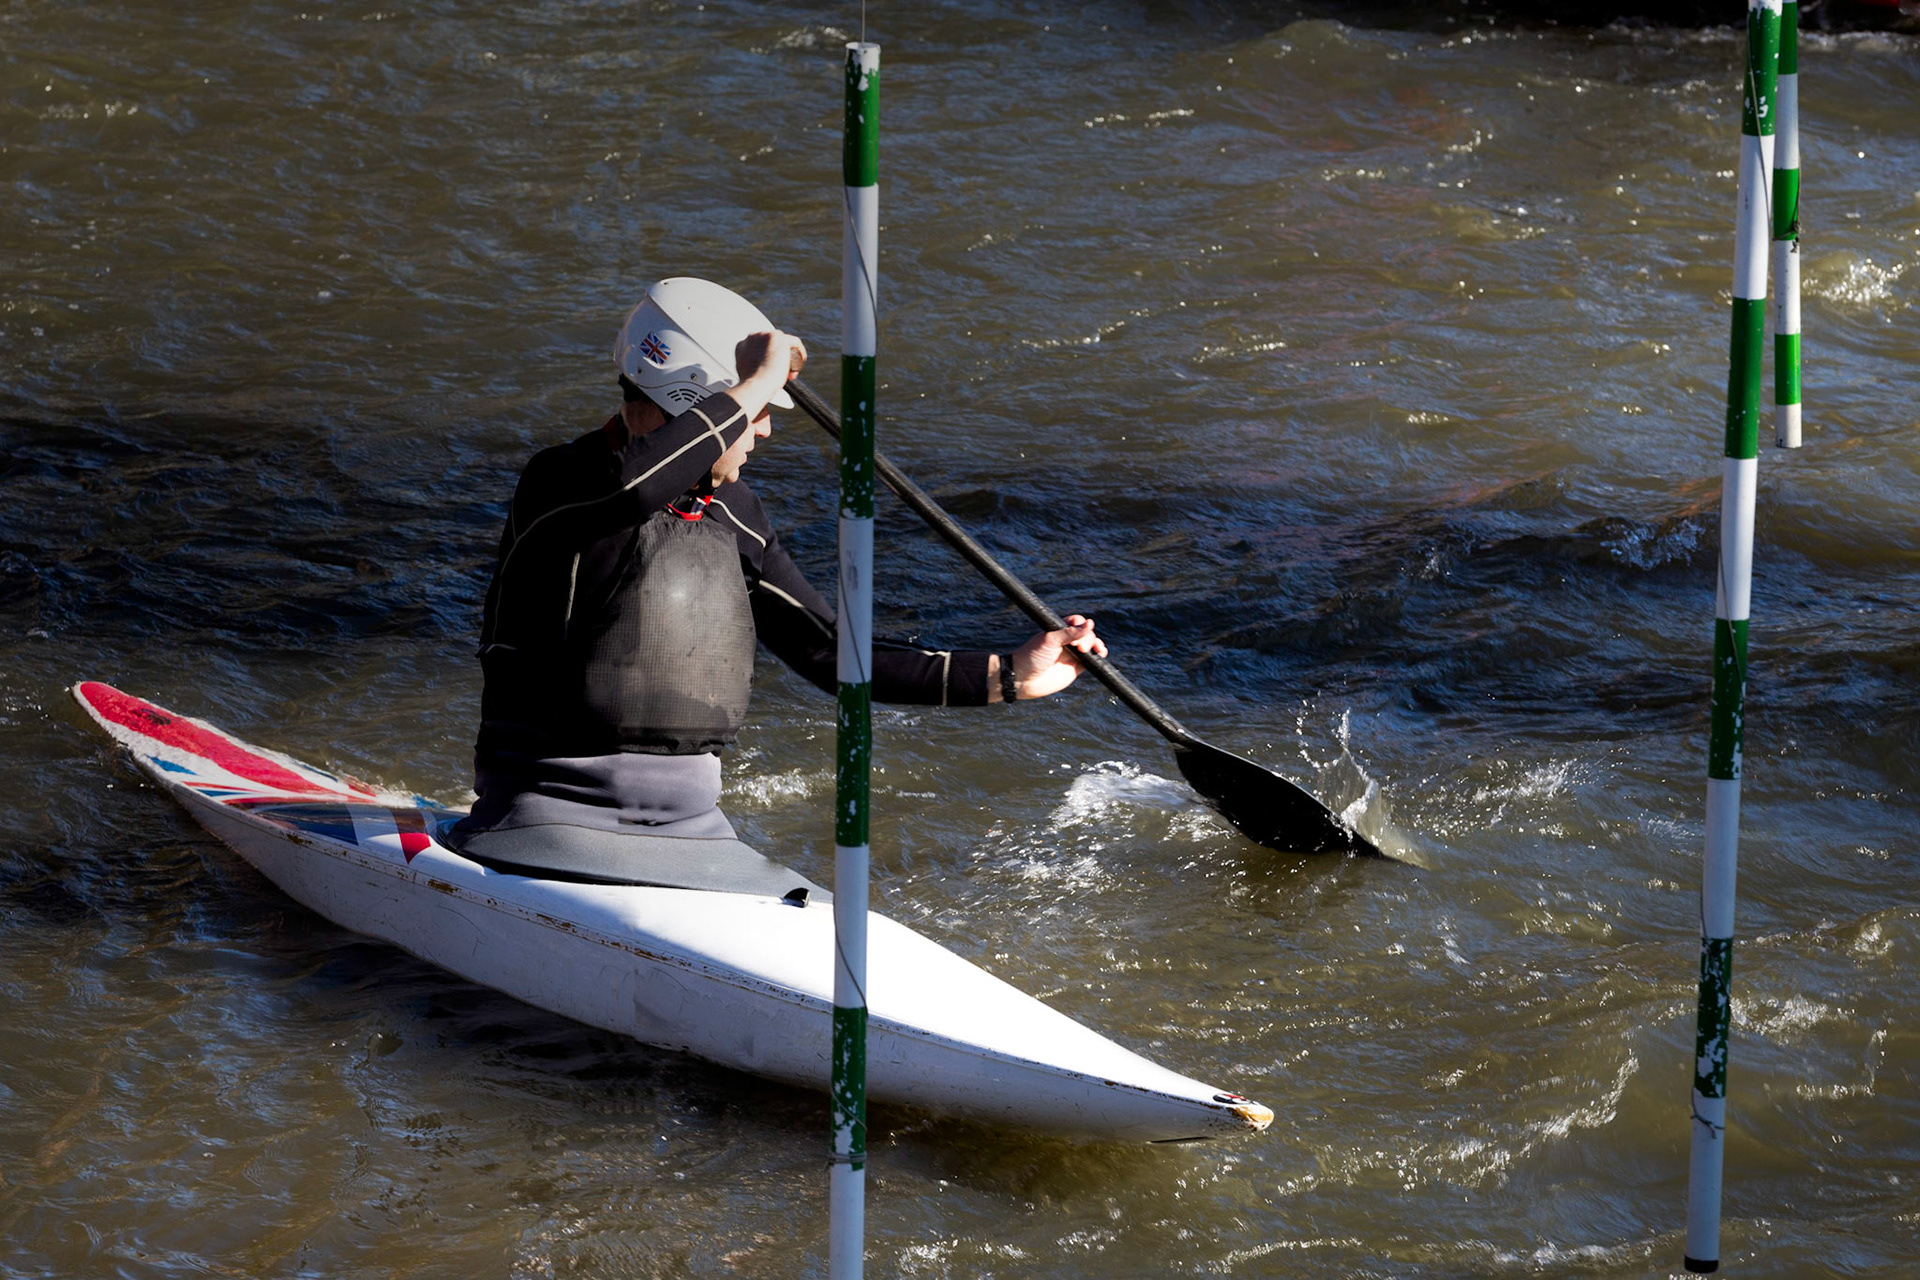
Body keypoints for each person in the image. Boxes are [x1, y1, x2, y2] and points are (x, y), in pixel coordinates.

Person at [449, 277, 1104, 882]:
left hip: (698, 836)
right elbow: (633, 490)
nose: (761, 429)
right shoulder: (561, 484)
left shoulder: (738, 515)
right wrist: (759, 375)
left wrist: (1013, 673)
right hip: (538, 825)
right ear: (694, 401)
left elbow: (830, 654)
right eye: (755, 408)